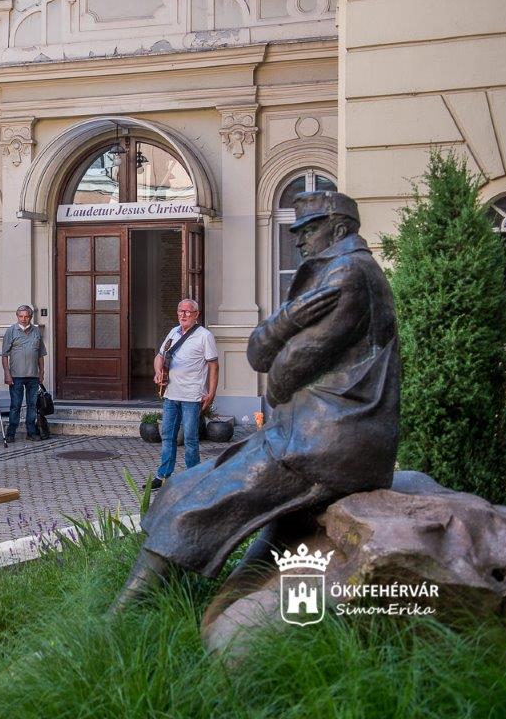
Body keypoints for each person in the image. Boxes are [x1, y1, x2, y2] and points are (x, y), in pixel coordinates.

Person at [115, 191, 400, 609]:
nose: (298, 240)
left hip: (325, 443)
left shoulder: (345, 276)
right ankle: (219, 602)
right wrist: (285, 328)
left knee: (194, 502)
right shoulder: (348, 271)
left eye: (309, 229)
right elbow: (272, 362)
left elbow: (279, 369)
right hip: (319, 434)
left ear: (339, 229)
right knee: (182, 486)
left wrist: (283, 321)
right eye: (296, 230)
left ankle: (124, 614)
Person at [150, 299, 219, 490]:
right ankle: (163, 475)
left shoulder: (205, 336)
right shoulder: (173, 332)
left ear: (196, 314)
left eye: (188, 312)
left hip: (192, 395)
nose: (183, 314)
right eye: (181, 311)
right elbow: (160, 356)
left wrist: (211, 393)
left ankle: (192, 476)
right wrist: (158, 372)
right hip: (171, 394)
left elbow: (214, 366)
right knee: (168, 436)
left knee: (190, 437)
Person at [1, 305, 47, 443]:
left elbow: (40, 354)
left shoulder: (36, 331)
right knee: (16, 405)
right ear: (17, 316)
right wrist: (7, 374)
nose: (23, 319)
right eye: (21, 316)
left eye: (26, 316)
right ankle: (11, 433)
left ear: (31, 317)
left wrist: (41, 372)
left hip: (33, 376)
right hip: (16, 376)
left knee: (32, 405)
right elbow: (4, 355)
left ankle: (31, 432)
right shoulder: (11, 331)